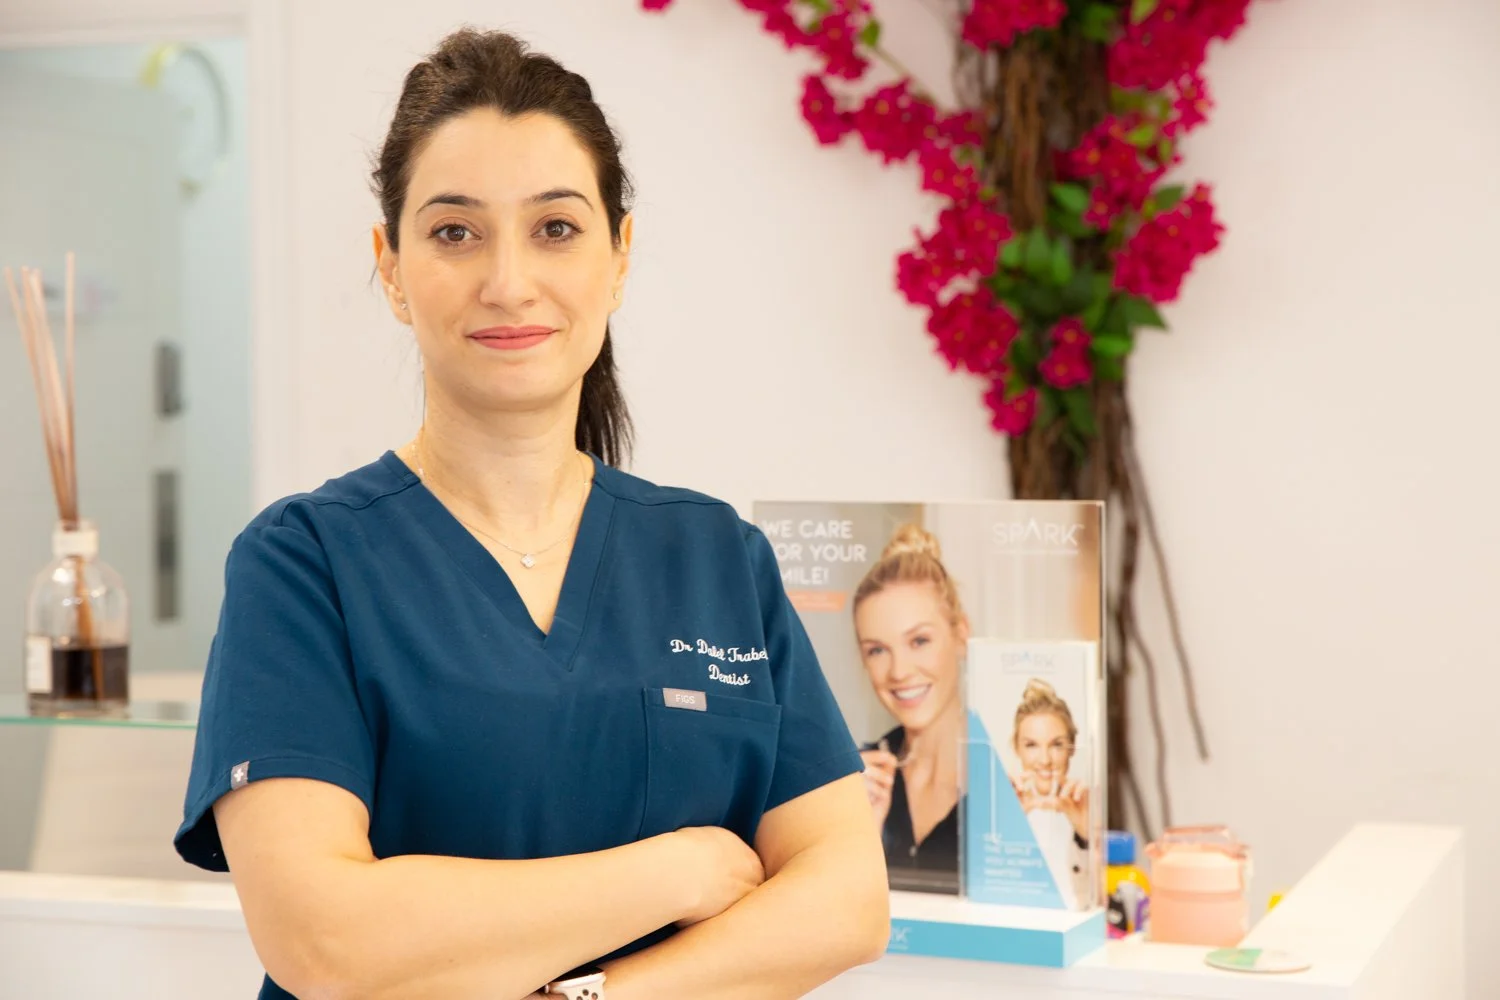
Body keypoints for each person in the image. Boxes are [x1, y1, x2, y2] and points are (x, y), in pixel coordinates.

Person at [173, 28, 888, 1000]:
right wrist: (673, 872)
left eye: (555, 227)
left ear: (619, 254)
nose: (508, 281)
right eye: (455, 231)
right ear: (389, 264)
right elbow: (323, 938)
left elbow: (846, 898)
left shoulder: (719, 557)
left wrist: (594, 996)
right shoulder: (304, 565)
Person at [852, 524, 968, 892]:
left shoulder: (1013, 773)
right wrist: (855, 834)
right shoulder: (854, 779)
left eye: (919, 640)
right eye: (877, 650)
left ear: (961, 635)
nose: (899, 672)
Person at [1010, 678, 1093, 910]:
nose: (1045, 760)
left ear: (1072, 748)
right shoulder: (1000, 807)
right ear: (1016, 748)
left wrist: (1086, 835)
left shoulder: (1090, 806)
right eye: (1032, 745)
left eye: (1056, 745)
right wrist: (1010, 823)